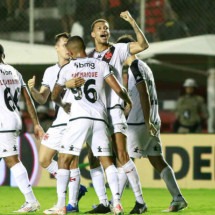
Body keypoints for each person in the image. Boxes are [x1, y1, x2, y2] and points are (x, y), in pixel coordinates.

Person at [44, 35, 133, 215]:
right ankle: (116, 203)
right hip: (100, 119)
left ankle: (61, 205)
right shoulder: (101, 65)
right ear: (85, 47)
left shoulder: (68, 68)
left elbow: (53, 96)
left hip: (79, 118)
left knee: (64, 159)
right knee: (107, 161)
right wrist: (128, 102)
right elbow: (118, 89)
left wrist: (64, 101)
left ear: (69, 52)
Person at [82, 10, 149, 214]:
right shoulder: (89, 57)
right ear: (92, 34)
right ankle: (105, 202)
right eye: (100, 28)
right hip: (97, 113)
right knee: (95, 157)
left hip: (115, 110)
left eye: (106, 28)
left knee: (122, 155)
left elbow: (143, 45)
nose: (104, 30)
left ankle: (140, 202)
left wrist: (132, 22)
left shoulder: (118, 50)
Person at [117, 34, 188, 212]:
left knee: (125, 160)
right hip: (151, 121)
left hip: (140, 123)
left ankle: (115, 202)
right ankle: (178, 198)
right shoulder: (145, 67)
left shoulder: (134, 68)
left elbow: (144, 94)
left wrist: (147, 120)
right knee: (157, 160)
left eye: (118, 51)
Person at [27, 32, 87, 213]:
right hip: (59, 120)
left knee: (71, 161)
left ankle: (71, 204)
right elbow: (43, 98)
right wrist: (33, 90)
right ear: (57, 47)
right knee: (44, 159)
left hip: (75, 119)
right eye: (64, 44)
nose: (67, 48)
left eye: (69, 44)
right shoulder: (50, 71)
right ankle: (75, 188)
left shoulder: (78, 67)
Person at [0, 44, 44, 212]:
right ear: (3, 54)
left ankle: (31, 200)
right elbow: (28, 99)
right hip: (13, 119)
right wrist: (36, 123)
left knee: (12, 160)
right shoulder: (14, 72)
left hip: (3, 123)